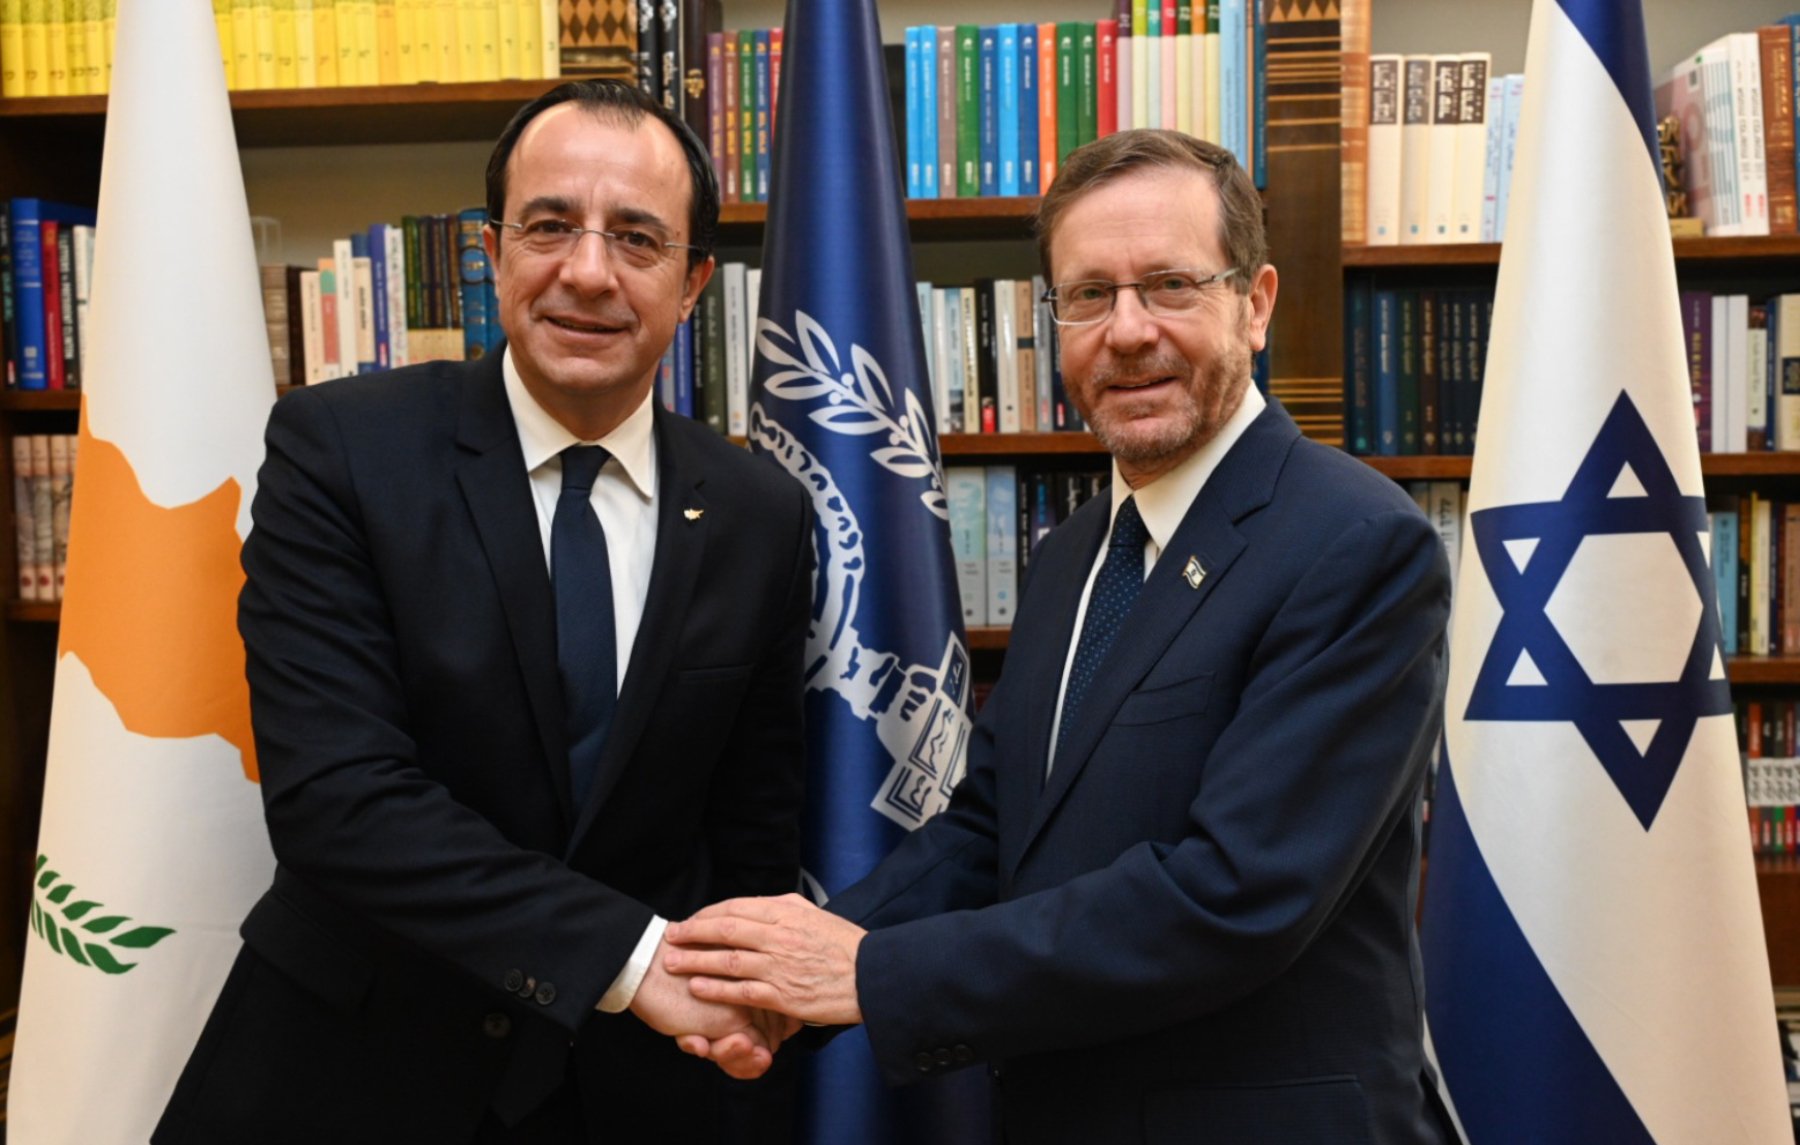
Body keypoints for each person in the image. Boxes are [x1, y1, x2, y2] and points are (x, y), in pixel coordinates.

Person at [664, 129, 1460, 1145]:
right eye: (1088, 295)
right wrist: (798, 968)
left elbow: (1232, 896)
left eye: (1170, 285)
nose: (1127, 332)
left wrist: (865, 973)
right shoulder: (1077, 552)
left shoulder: (1356, 546)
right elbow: (992, 827)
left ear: (1255, 304)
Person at [154, 80, 811, 1145]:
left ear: (691, 283)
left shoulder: (759, 512)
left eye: (636, 238)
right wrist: (632, 960)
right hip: (353, 1072)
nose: (586, 272)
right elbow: (339, 801)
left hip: (639, 1090)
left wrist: (739, 1026)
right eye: (549, 225)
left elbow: (751, 833)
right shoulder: (339, 450)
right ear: (491, 252)